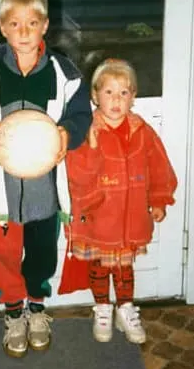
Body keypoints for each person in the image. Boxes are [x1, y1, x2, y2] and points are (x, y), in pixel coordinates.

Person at [0, 0, 92, 358]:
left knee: (43, 249)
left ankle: (36, 307)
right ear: (2, 27)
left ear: (45, 25)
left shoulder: (65, 73)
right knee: (3, 251)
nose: (24, 32)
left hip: (45, 185)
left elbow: (81, 115)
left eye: (33, 23)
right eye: (15, 24)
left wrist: (68, 134)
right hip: (0, 185)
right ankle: (13, 312)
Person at [59, 58, 177, 343]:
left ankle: (125, 308)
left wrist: (159, 199)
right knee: (100, 266)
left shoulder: (142, 130)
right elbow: (76, 176)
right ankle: (102, 308)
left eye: (124, 93)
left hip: (131, 217)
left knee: (125, 268)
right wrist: (93, 148)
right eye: (109, 92)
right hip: (99, 216)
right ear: (95, 95)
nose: (116, 100)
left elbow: (159, 166)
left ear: (133, 97)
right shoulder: (87, 130)